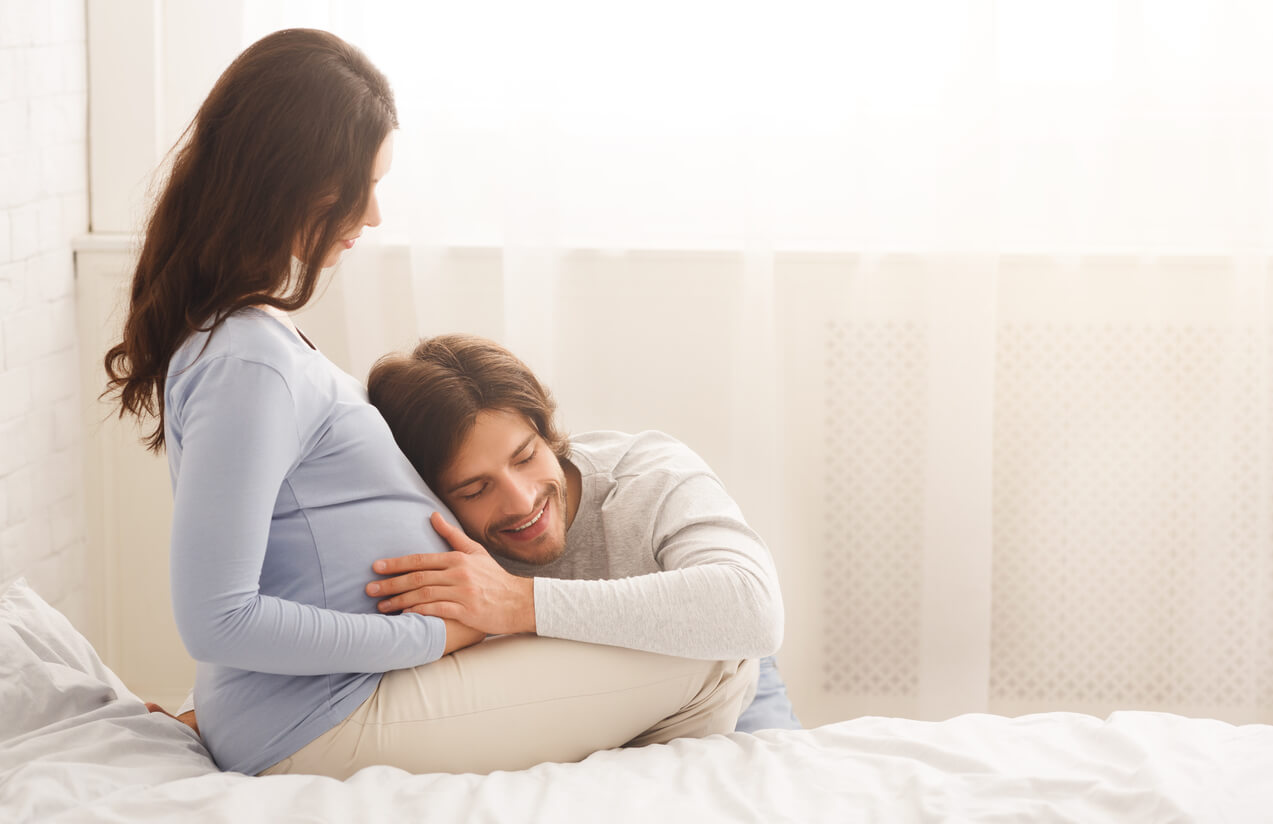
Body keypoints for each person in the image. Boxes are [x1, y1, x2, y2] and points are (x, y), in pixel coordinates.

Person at [107, 28, 758, 780]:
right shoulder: (248, 361)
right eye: (363, 187)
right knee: (715, 654)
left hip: (333, 702)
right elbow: (218, 619)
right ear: (294, 182)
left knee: (708, 638)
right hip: (323, 719)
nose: (375, 216)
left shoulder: (253, 339)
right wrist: (435, 639)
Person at [364, 334, 800, 733]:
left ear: (547, 433)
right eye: (476, 489)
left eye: (525, 457)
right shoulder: (434, 540)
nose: (520, 501)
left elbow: (754, 608)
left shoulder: (649, 475)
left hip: (733, 684)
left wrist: (520, 603)